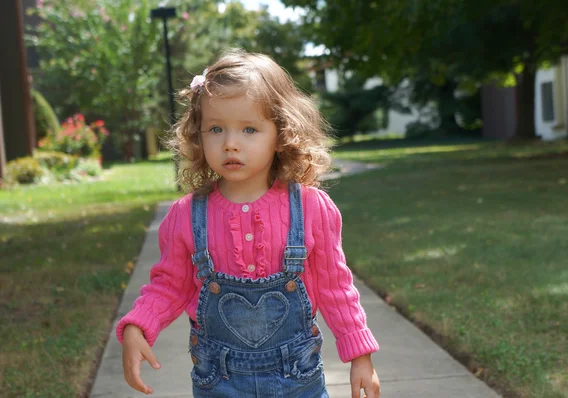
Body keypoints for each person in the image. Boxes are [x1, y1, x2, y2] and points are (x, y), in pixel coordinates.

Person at [116, 49, 381, 398]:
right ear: (198, 134)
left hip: (298, 382)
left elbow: (336, 289)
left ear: (281, 133)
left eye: (249, 129)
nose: (230, 144)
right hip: (219, 384)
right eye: (215, 129)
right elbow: (169, 285)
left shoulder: (311, 209)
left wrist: (360, 357)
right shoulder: (186, 216)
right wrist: (139, 325)